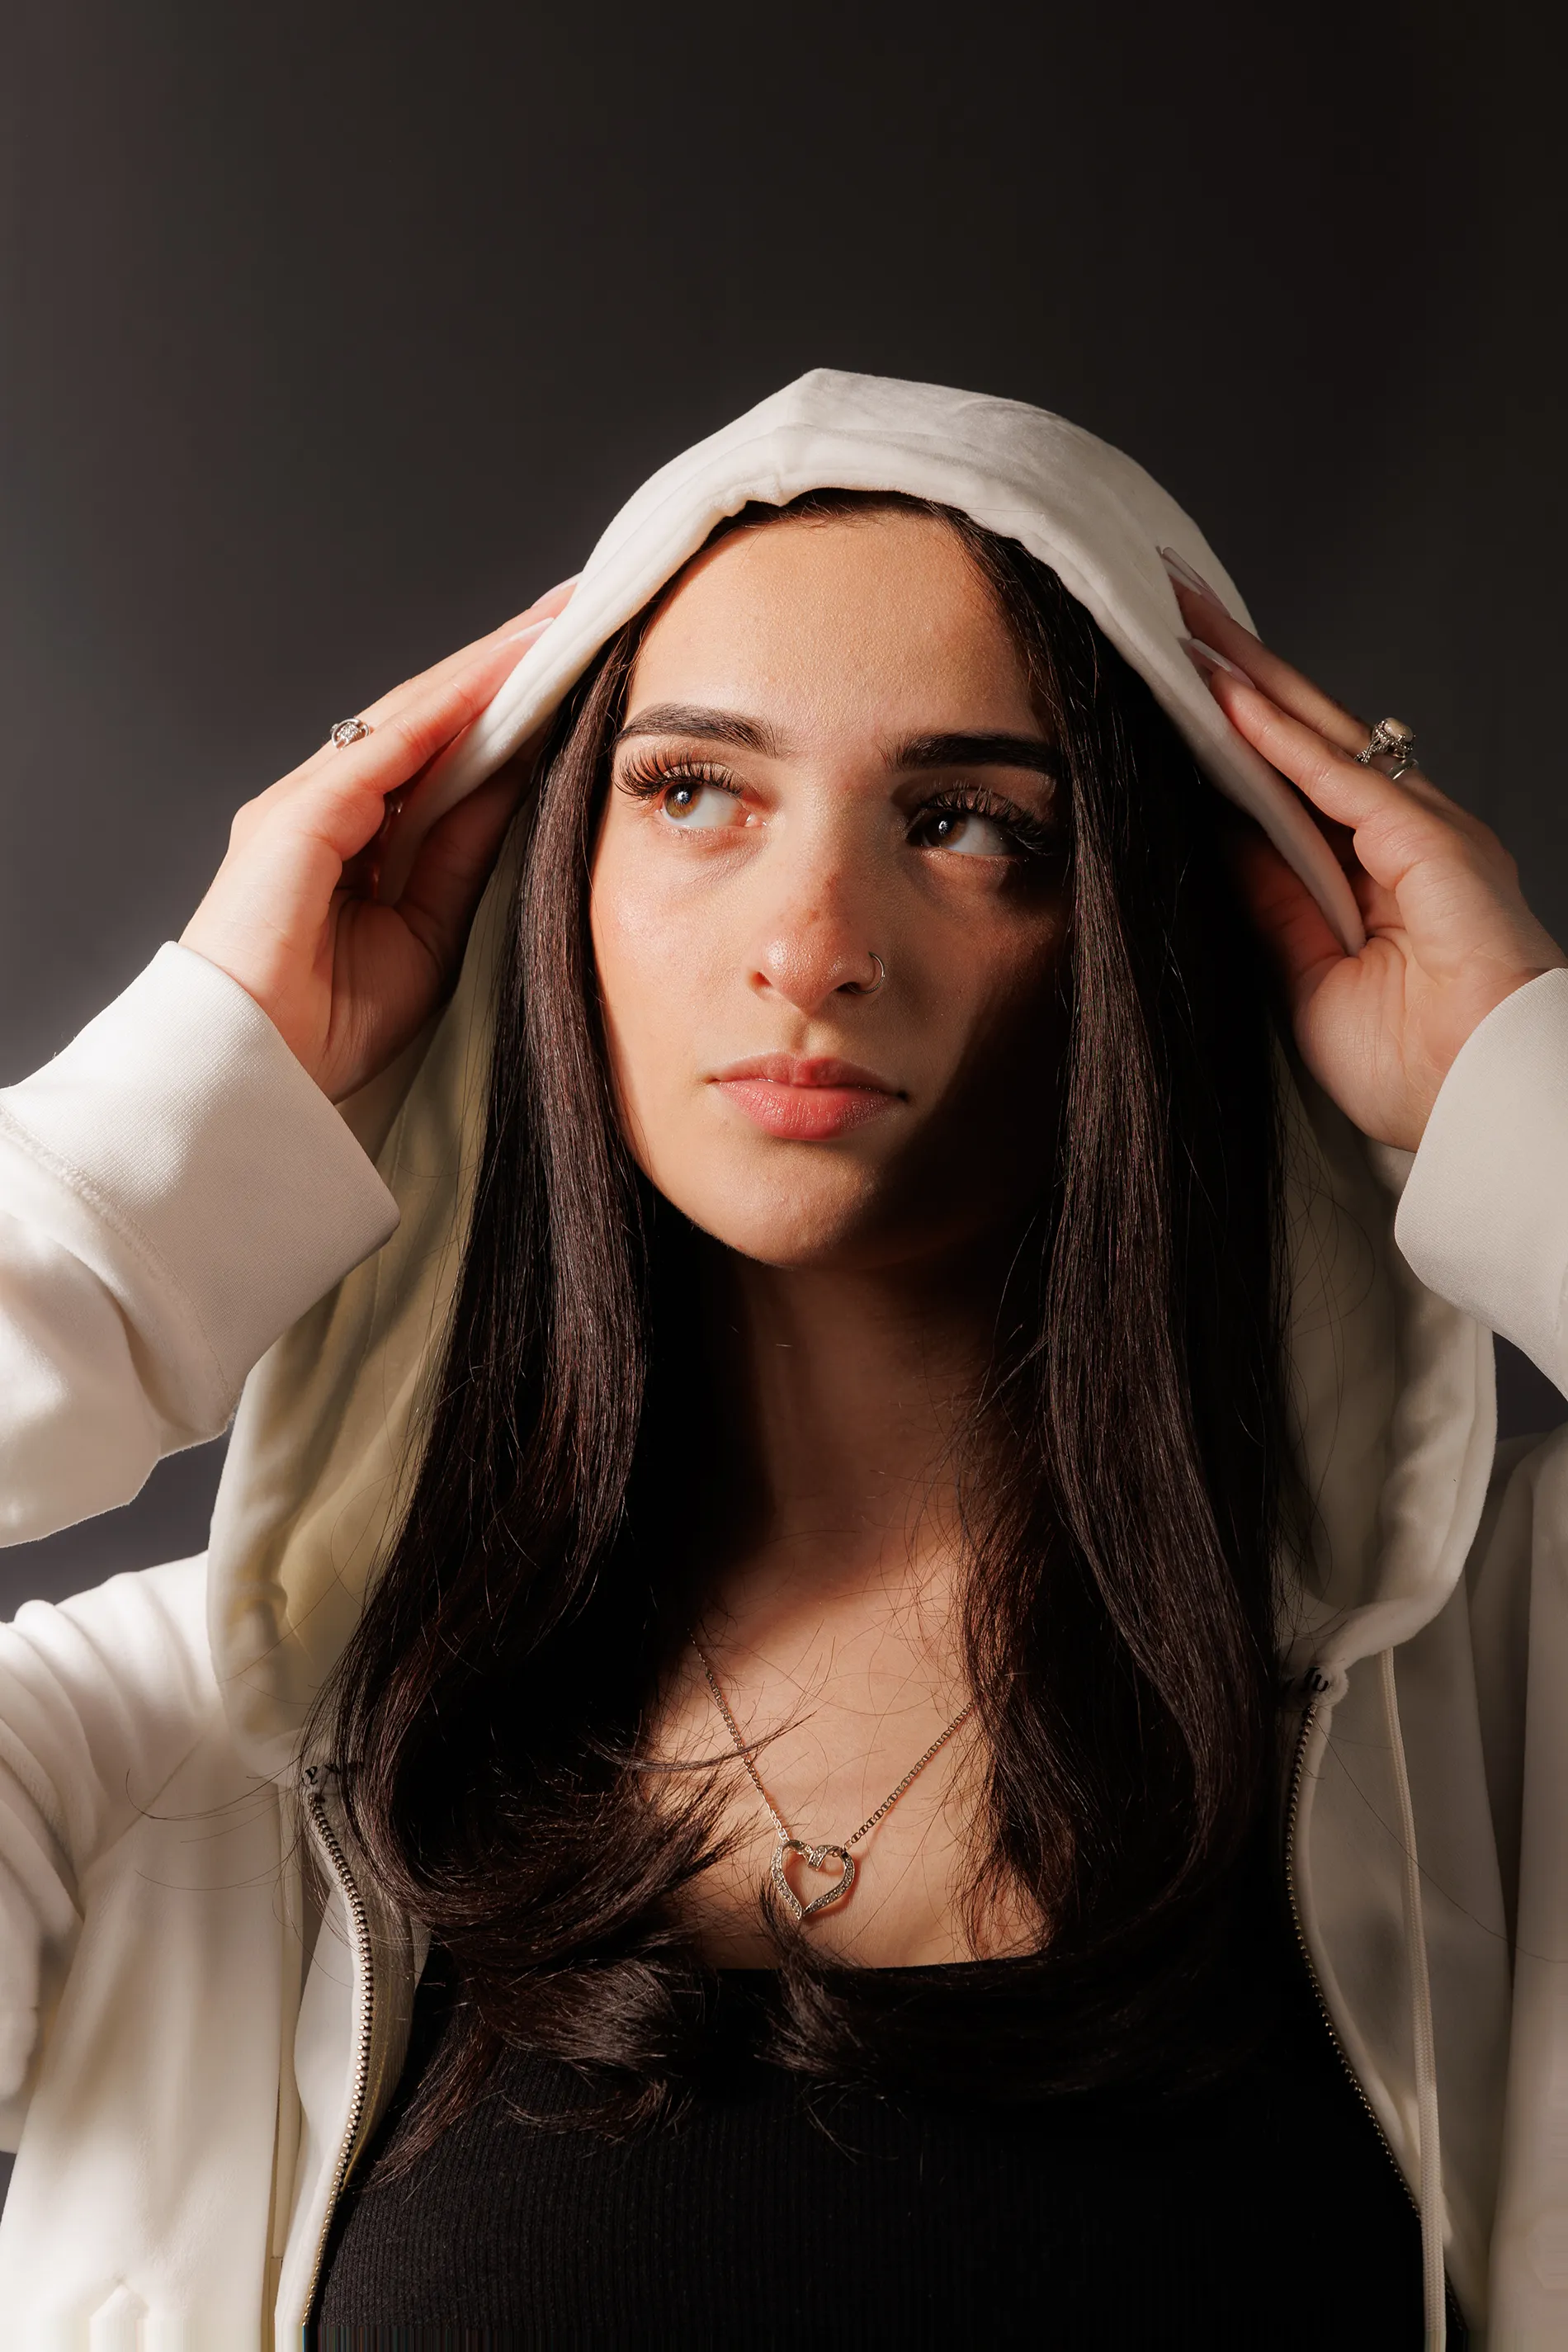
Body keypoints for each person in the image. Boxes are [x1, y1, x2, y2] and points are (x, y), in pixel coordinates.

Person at [0, 371, 1562, 2350]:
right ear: (551, 880)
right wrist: (160, 1154)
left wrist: (1509, 1081)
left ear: (1143, 919)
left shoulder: (1502, 1700)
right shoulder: (169, 1750)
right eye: (689, 791)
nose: (810, 938)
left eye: (967, 821)